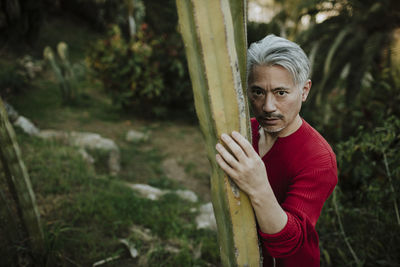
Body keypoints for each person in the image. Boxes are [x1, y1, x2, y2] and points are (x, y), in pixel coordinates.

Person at [215, 34, 338, 267]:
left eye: (281, 93)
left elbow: (288, 244)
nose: (268, 107)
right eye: (258, 92)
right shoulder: (244, 132)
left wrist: (258, 185)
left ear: (304, 90)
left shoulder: (319, 159)